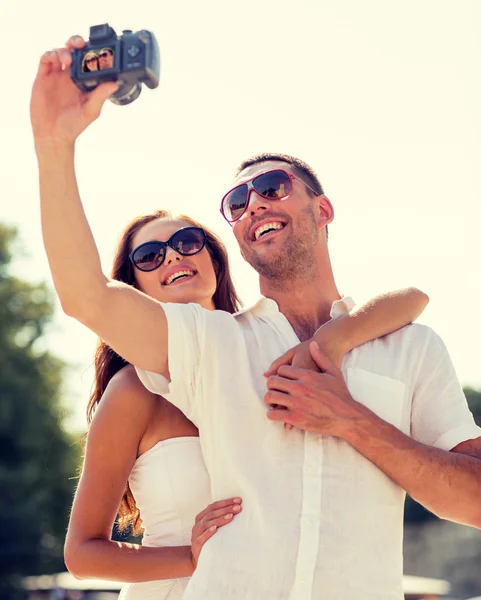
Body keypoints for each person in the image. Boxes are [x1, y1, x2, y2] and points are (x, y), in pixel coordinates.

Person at [30, 36, 481, 600]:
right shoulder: (210, 345)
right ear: (237, 238)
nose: (253, 205)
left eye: (271, 187)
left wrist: (351, 421)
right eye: (236, 203)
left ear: (323, 209)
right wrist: (54, 143)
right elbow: (87, 298)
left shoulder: (413, 349)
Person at [63, 209, 427, 600]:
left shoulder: (261, 353)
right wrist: (192, 557)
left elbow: (413, 299)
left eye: (187, 243)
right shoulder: (134, 390)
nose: (172, 256)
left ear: (215, 262)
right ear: (133, 289)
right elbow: (83, 554)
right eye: (150, 255)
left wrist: (333, 338)